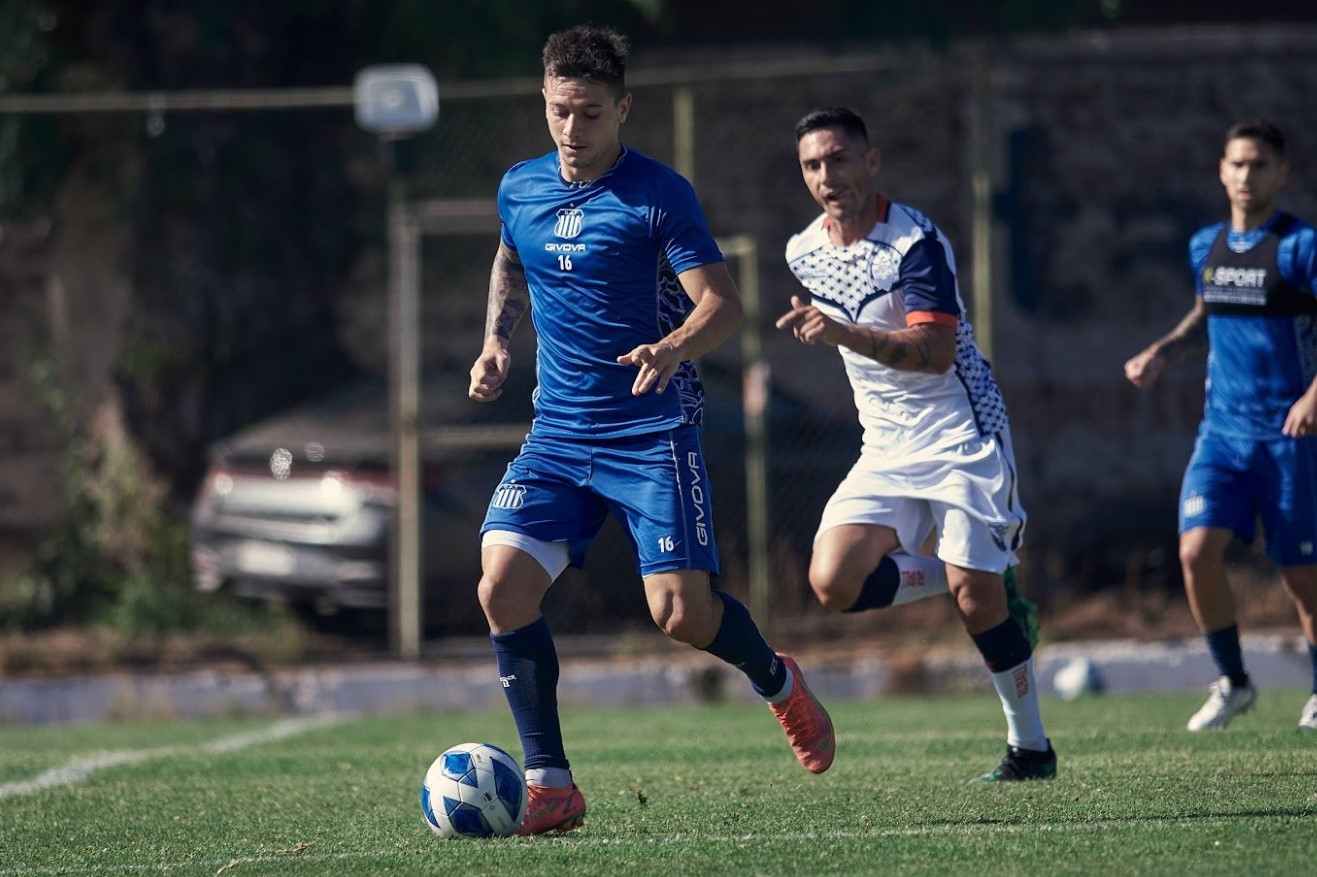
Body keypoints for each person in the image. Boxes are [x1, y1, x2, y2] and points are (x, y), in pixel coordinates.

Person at [467, 26, 836, 836]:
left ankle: (777, 681)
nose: (572, 128)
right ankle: (551, 783)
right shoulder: (519, 187)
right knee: (501, 588)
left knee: (679, 614)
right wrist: (496, 340)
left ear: (624, 108)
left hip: (649, 432)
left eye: (590, 113)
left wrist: (671, 348)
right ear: (543, 102)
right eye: (559, 111)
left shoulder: (657, 195)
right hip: (558, 435)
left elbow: (723, 306)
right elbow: (510, 257)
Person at [775, 107, 1056, 782]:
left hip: (962, 432)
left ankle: (1031, 749)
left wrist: (839, 332)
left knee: (977, 604)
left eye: (840, 158)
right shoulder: (801, 251)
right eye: (813, 165)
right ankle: (974, 569)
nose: (827, 176)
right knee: (833, 581)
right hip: (885, 445)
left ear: (871, 162)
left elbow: (934, 353)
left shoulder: (914, 242)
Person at [1124, 119, 1317, 733]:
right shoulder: (1205, 244)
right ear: (1221, 170)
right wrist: (1161, 351)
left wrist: (1313, 396)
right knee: (1195, 551)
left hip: (1290, 438)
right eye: (1237, 163)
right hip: (1223, 435)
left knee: (1301, 578)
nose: (1246, 175)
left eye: (1259, 164)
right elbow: (1206, 314)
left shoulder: (1300, 247)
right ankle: (1233, 682)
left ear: (1281, 173)